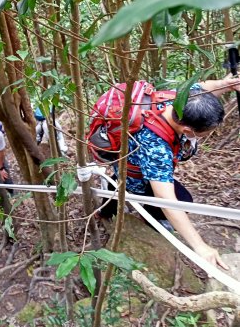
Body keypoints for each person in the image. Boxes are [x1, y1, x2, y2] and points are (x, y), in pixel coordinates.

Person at [99, 75, 240, 269]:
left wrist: (225, 85)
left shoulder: (175, 99)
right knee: (181, 202)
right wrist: (200, 246)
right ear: (188, 131)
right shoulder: (155, 147)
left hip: (129, 161)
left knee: (118, 185)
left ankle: (109, 197)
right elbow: (166, 201)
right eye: (205, 133)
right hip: (137, 177)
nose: (208, 136)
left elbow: (203, 89)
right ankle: (145, 217)